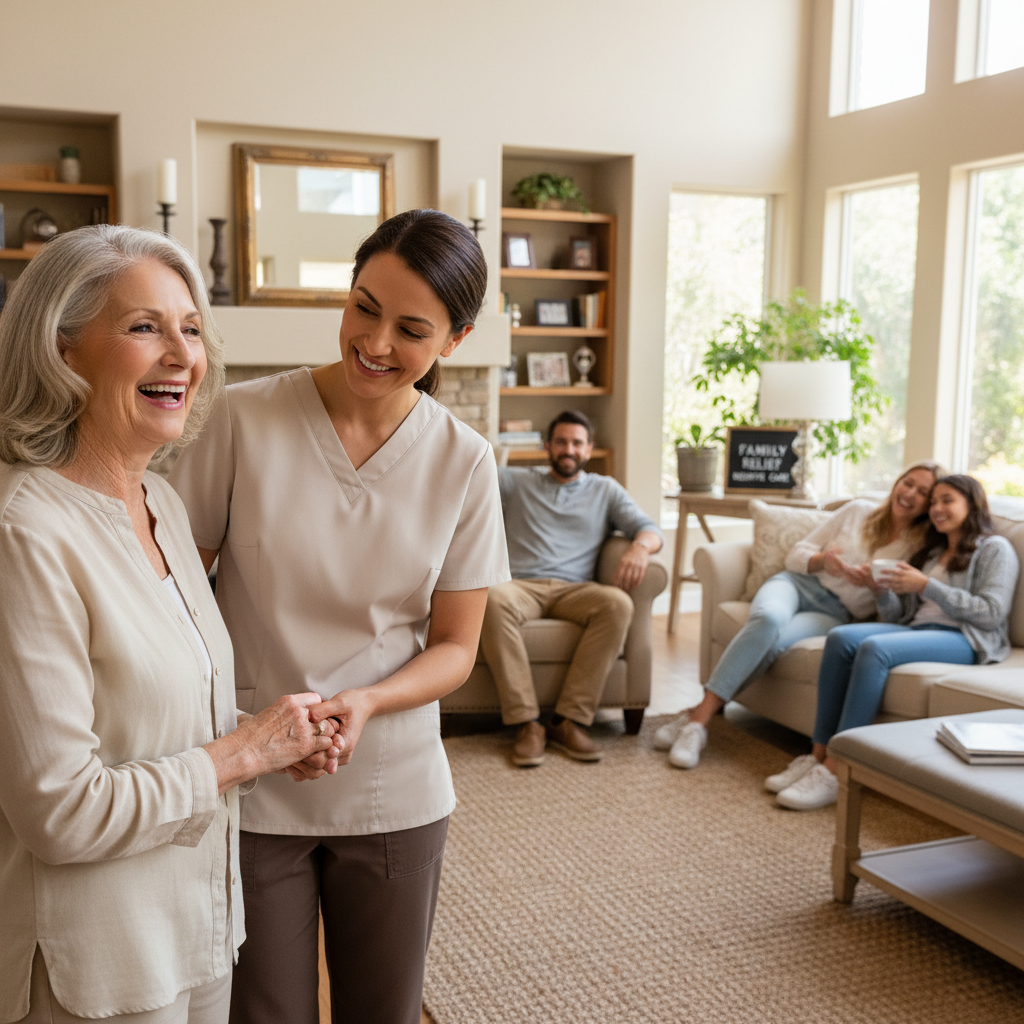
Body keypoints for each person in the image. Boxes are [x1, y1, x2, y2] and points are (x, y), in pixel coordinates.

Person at [168, 209, 509, 1024]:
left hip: (394, 785)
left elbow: (456, 647)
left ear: (455, 341)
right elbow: (173, 592)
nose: (375, 343)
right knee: (262, 1011)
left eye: (412, 330)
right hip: (254, 773)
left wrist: (367, 702)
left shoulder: (464, 461)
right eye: (364, 307)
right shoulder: (241, 418)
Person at [0, 225, 341, 1024]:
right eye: (144, 326)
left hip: (199, 931)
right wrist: (239, 755)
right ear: (61, 350)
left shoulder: (163, 502)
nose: (183, 355)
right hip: (99, 969)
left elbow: (167, 722)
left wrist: (268, 741)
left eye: (190, 329)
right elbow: (61, 811)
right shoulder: (24, 533)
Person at [655, 462, 942, 770]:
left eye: (922, 492)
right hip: (796, 584)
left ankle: (695, 717)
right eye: (908, 483)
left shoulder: (919, 548)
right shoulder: (858, 511)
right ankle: (699, 723)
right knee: (767, 620)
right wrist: (824, 562)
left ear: (929, 503)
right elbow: (796, 554)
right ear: (897, 483)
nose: (910, 493)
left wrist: (878, 590)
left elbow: (897, 616)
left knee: (775, 644)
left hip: (835, 612)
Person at [773, 473, 1020, 810]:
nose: (937, 508)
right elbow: (899, 618)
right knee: (841, 638)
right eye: (934, 502)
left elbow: (991, 613)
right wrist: (880, 590)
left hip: (966, 638)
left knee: (875, 649)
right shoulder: (933, 553)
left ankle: (837, 769)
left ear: (972, 503)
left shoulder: (995, 549)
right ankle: (817, 754)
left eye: (947, 500)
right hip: (918, 630)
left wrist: (927, 586)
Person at [481, 409, 664, 767]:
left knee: (618, 604)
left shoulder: (605, 489)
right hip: (521, 587)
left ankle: (568, 721)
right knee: (492, 598)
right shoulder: (516, 480)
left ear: (589, 449)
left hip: (575, 590)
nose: (569, 449)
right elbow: (468, 473)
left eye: (577, 443)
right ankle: (526, 722)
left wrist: (640, 548)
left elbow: (650, 529)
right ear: (547, 446)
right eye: (561, 442)